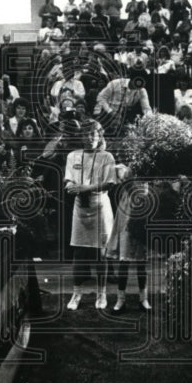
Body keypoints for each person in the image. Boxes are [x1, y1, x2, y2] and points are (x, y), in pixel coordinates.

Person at [64, 120, 117, 310]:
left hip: (100, 207)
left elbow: (110, 183)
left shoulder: (107, 156)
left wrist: (87, 188)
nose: (90, 137)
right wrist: (72, 187)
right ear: (80, 136)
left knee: (100, 253)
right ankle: (76, 293)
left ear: (99, 135)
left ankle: (101, 294)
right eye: (86, 134)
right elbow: (69, 179)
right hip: (80, 207)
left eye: (94, 134)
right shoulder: (73, 155)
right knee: (79, 252)